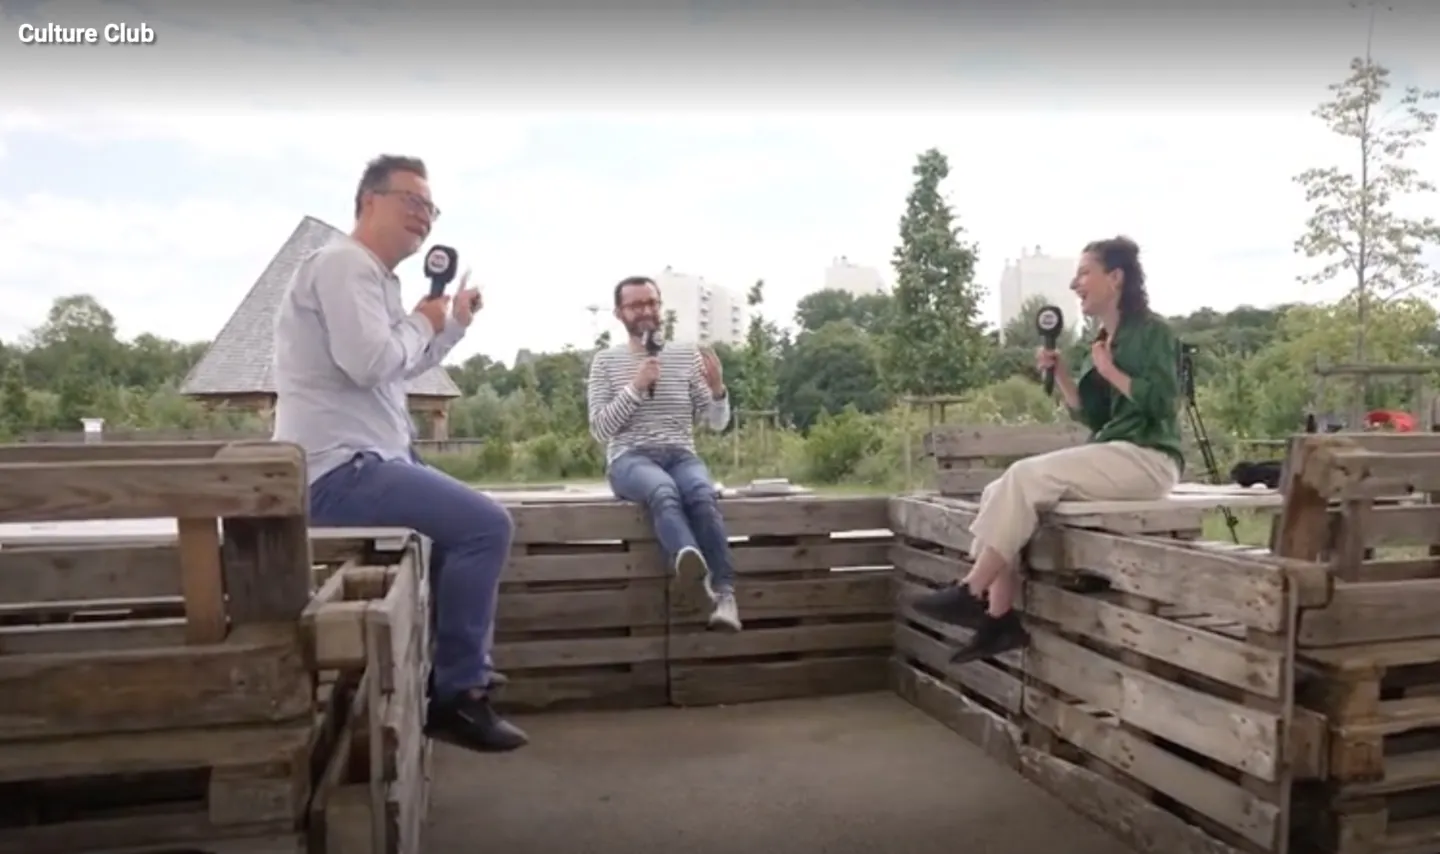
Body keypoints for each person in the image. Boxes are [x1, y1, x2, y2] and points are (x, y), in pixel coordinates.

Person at [272, 154, 528, 753]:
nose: (424, 217)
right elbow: (370, 361)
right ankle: (460, 695)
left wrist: (451, 323)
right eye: (411, 202)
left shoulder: (371, 279)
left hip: (365, 463)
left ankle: (447, 676)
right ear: (368, 202)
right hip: (340, 471)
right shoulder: (342, 265)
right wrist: (422, 317)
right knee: (485, 526)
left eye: (430, 208)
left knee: (460, 531)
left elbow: (398, 365)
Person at [911, 236, 1183, 663]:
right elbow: (1092, 415)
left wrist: (1110, 370)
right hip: (1116, 451)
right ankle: (999, 620)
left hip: (1148, 459)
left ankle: (970, 591)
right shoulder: (1101, 341)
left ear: (1115, 278)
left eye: (1084, 273)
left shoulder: (1153, 333)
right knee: (997, 490)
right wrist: (1062, 375)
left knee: (1025, 476)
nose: (1075, 284)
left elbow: (1163, 403)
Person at [586, 276, 742, 632]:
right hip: (630, 458)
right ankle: (690, 563)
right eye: (636, 305)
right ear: (619, 313)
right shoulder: (605, 362)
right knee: (663, 491)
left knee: (701, 495)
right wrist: (636, 387)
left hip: (681, 453)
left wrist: (718, 391)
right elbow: (600, 429)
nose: (646, 311)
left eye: (651, 303)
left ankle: (726, 596)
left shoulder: (685, 355)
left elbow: (716, 423)